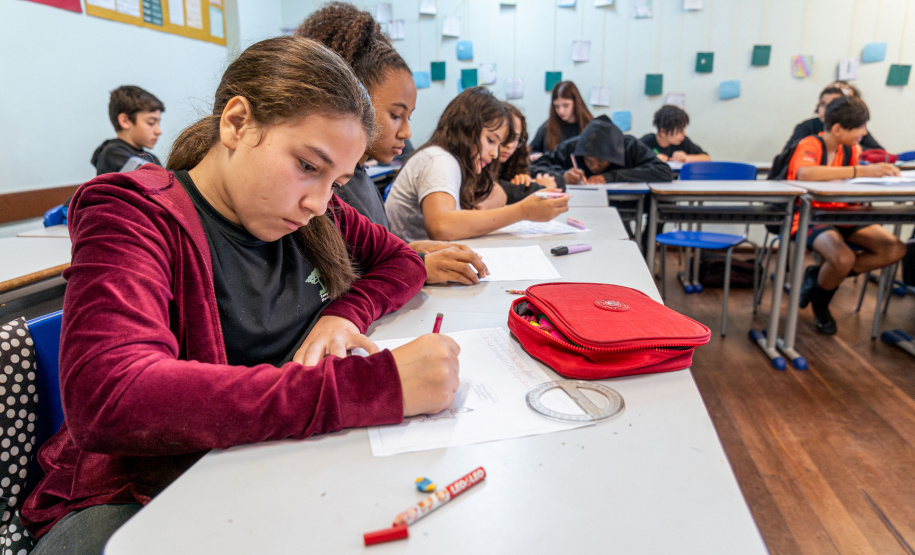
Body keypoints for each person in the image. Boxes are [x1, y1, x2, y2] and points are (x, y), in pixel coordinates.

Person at [22, 37, 461, 552]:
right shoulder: (132, 213)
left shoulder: (316, 215)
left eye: (337, 182)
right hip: (142, 499)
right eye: (307, 165)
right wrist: (371, 387)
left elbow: (402, 261)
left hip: (264, 462)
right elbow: (111, 396)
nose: (319, 203)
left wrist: (343, 314)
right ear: (236, 123)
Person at [296, 2, 489, 285]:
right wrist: (419, 265)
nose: (408, 132)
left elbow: (370, 253)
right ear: (353, 100)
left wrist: (413, 250)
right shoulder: (330, 189)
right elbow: (340, 278)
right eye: (396, 115)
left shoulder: (359, 178)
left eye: (408, 117)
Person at [385, 87, 568, 243]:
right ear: (465, 128)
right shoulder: (439, 160)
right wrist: (523, 211)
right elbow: (442, 226)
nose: (495, 153)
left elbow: (494, 192)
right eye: (490, 140)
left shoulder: (452, 160)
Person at [787, 96, 904, 334]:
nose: (863, 132)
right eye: (859, 127)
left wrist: (881, 173)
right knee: (842, 258)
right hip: (811, 216)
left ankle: (819, 277)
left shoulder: (851, 149)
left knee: (894, 249)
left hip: (845, 213)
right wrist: (860, 170)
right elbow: (805, 173)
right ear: (838, 129)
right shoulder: (810, 144)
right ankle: (821, 303)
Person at [531, 114, 674, 186]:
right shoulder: (572, 147)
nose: (593, 166)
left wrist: (611, 177)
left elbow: (664, 171)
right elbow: (534, 167)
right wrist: (562, 176)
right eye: (588, 160)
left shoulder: (629, 145)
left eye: (600, 161)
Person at [783, 82, 883, 151]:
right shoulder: (807, 127)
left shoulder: (853, 129)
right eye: (822, 104)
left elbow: (880, 154)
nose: (825, 110)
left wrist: (857, 149)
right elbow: (787, 156)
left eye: (832, 104)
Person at [91, 85, 165, 175]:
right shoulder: (112, 154)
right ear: (125, 121)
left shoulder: (151, 158)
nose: (158, 131)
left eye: (158, 123)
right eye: (151, 123)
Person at [497, 102, 558, 204]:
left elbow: (557, 178)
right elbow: (509, 192)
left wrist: (531, 181)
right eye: (505, 137)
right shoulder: (482, 165)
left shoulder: (512, 161)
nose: (510, 145)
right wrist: (544, 187)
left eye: (516, 138)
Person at [529, 81, 593, 156]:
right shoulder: (547, 127)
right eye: (556, 106)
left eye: (566, 105)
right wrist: (534, 156)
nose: (561, 111)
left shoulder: (591, 126)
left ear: (576, 103)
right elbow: (531, 151)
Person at [639, 105, 710, 163]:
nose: (684, 133)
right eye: (679, 131)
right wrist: (652, 159)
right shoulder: (646, 142)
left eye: (684, 129)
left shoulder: (683, 141)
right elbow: (630, 160)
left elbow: (707, 158)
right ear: (663, 131)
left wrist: (687, 158)